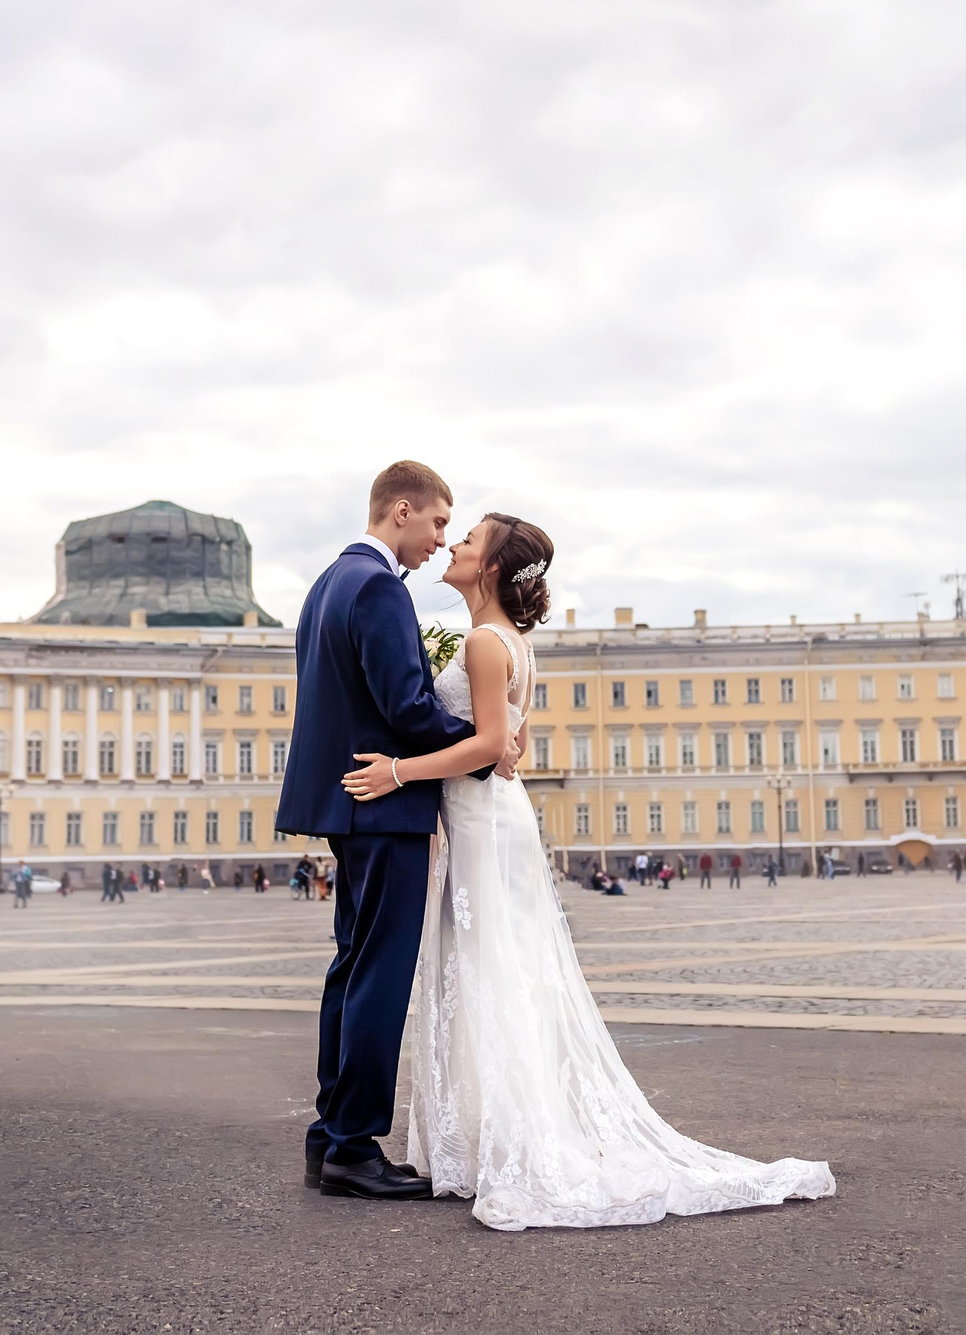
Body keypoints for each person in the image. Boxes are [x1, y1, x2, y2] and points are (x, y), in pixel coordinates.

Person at [345, 508, 831, 1231]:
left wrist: (396, 770)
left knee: (483, 968)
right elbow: (514, 740)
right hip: (498, 816)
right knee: (501, 969)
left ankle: (490, 1142)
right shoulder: (518, 642)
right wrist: (496, 747)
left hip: (481, 819)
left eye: (468, 540)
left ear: (492, 569)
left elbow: (485, 746)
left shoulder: (483, 640)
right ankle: (493, 1136)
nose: (453, 545)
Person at [274, 462, 503, 1202]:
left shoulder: (330, 581)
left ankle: (330, 1134)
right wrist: (480, 741)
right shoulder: (375, 586)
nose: (441, 538)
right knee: (377, 974)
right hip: (384, 805)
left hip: (351, 806)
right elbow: (404, 705)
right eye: (439, 521)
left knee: (350, 967)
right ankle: (352, 1146)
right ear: (401, 510)